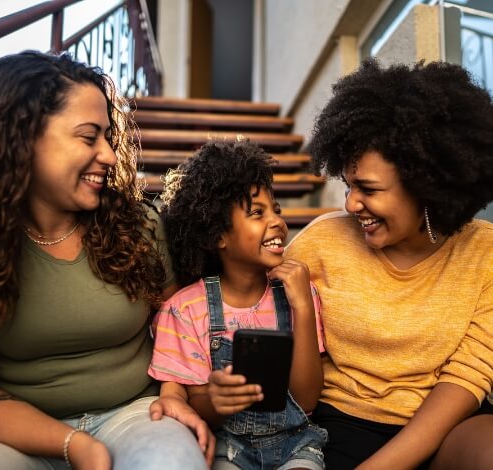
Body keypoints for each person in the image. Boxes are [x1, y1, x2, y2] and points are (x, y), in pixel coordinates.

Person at [0, 50, 214, 470]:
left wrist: (174, 393)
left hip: (135, 413)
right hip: (18, 431)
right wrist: (74, 443)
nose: (110, 155)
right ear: (23, 137)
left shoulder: (136, 225)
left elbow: (180, 319)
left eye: (108, 137)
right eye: (88, 136)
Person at [285, 59, 493, 469]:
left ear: (426, 184)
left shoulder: (484, 252)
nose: (350, 204)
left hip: (444, 429)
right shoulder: (322, 242)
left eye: (368, 189)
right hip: (339, 428)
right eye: (348, 185)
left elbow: (468, 376)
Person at [148, 141, 329, 469]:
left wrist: (302, 308)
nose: (276, 221)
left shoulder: (300, 295)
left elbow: (305, 400)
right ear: (219, 235)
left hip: (297, 444)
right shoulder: (186, 311)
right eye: (258, 213)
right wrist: (215, 402)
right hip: (228, 447)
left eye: (276, 209)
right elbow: (191, 405)